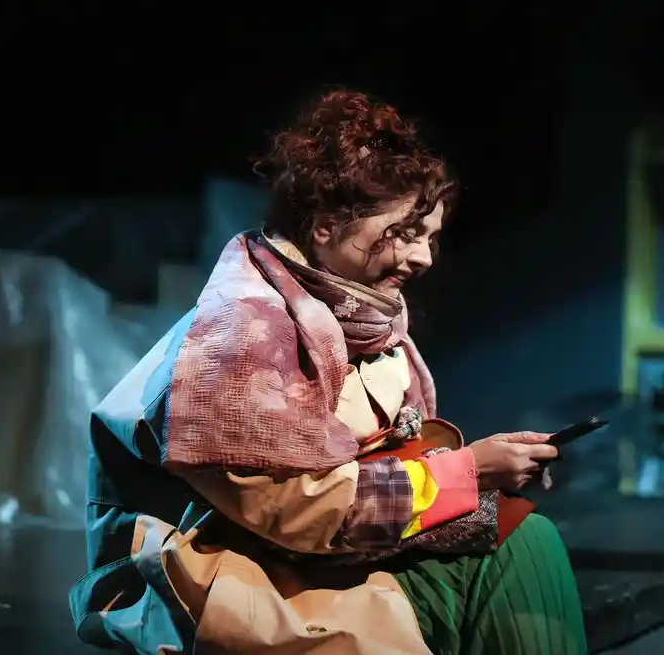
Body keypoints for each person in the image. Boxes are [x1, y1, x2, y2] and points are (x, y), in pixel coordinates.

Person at [67, 89, 588, 654]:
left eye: (431, 238)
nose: (423, 258)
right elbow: (296, 509)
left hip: (308, 554)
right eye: (405, 234)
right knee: (521, 551)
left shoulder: (359, 320)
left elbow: (373, 462)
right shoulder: (243, 333)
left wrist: (481, 470)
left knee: (522, 535)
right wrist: (469, 472)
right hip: (225, 576)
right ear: (325, 225)